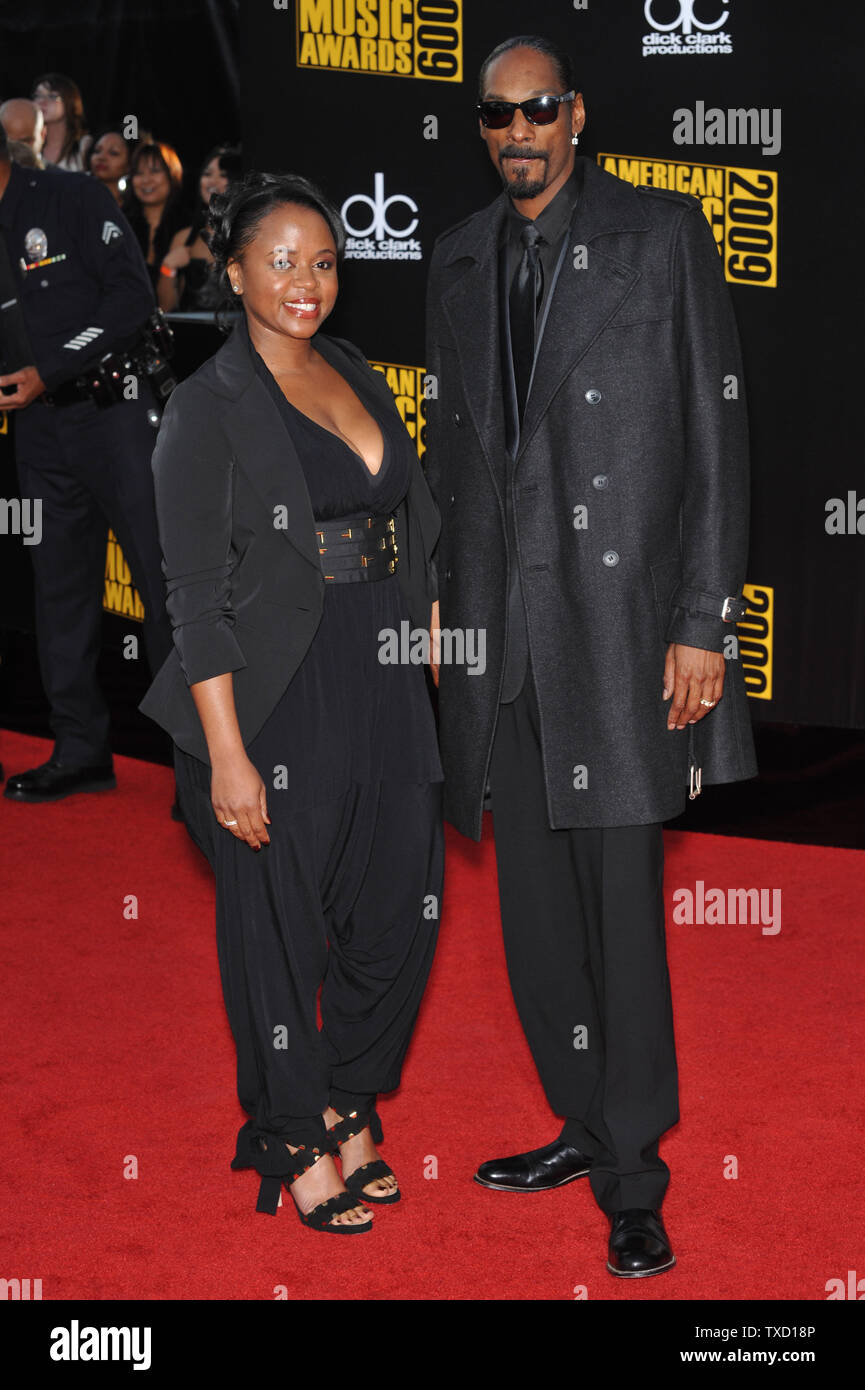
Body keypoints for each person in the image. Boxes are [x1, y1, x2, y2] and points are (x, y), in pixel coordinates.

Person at [424, 34, 757, 1277]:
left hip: (621, 640)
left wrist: (702, 620)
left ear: (576, 116)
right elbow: (459, 476)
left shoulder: (660, 239)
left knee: (622, 918)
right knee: (533, 922)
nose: (517, 133)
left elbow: (719, 444)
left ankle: (633, 1171)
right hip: (504, 639)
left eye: (537, 111)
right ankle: (577, 1118)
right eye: (496, 116)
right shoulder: (457, 259)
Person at [139, 171, 444, 1233]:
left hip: (379, 666)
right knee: (276, 925)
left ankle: (351, 1091)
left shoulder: (353, 368)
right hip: (269, 689)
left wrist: (432, 624)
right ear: (230, 272)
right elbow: (193, 596)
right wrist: (225, 754)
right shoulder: (204, 407)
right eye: (279, 261)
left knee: (400, 904)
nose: (305, 282)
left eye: (322, 262)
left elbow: (412, 509)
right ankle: (294, 1130)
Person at [0, 121, 175, 805]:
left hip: (117, 415)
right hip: (38, 432)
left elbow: (130, 300)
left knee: (164, 587)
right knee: (59, 591)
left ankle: (197, 762)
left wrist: (52, 366)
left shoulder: (72, 197)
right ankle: (79, 750)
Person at [158, 144, 242, 313]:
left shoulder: (249, 234)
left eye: (224, 175)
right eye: (207, 174)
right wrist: (168, 268)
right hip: (194, 334)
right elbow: (166, 308)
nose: (213, 181)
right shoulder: (184, 238)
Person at [125, 140, 186, 291]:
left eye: (155, 171)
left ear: (172, 175)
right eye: (138, 173)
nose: (146, 180)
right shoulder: (121, 223)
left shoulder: (188, 225)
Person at [31, 73, 91, 171]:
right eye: (38, 96)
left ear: (70, 101)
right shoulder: (26, 143)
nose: (42, 101)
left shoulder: (84, 146)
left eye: (52, 96)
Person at [86, 127, 135, 205]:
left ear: (129, 164)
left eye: (113, 153)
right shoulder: (76, 198)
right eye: (97, 151)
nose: (101, 157)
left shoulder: (136, 210)